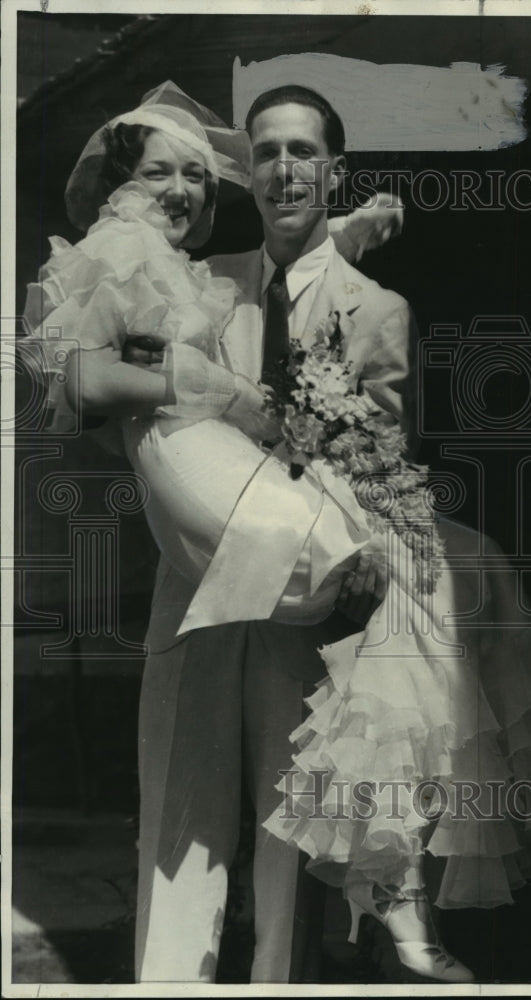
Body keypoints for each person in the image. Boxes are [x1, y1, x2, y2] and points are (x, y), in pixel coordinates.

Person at [23, 81, 412, 983]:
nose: (280, 170)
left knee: (290, 818)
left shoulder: (375, 308)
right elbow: (81, 385)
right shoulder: (202, 276)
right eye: (264, 152)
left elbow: (384, 454)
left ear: (330, 170)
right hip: (193, 583)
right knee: (179, 811)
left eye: (303, 152)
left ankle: (276, 981)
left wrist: (368, 558)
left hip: (297, 580)